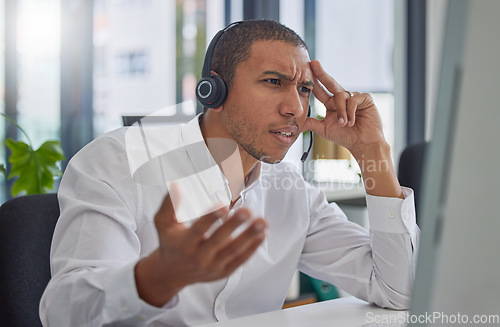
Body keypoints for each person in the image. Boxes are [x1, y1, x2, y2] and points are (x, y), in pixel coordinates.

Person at [40, 20, 419, 326]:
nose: (295, 108)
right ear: (213, 91)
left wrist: (373, 153)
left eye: (304, 89)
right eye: (274, 82)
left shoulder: (292, 193)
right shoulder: (119, 161)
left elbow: (400, 291)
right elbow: (63, 314)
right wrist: (156, 278)